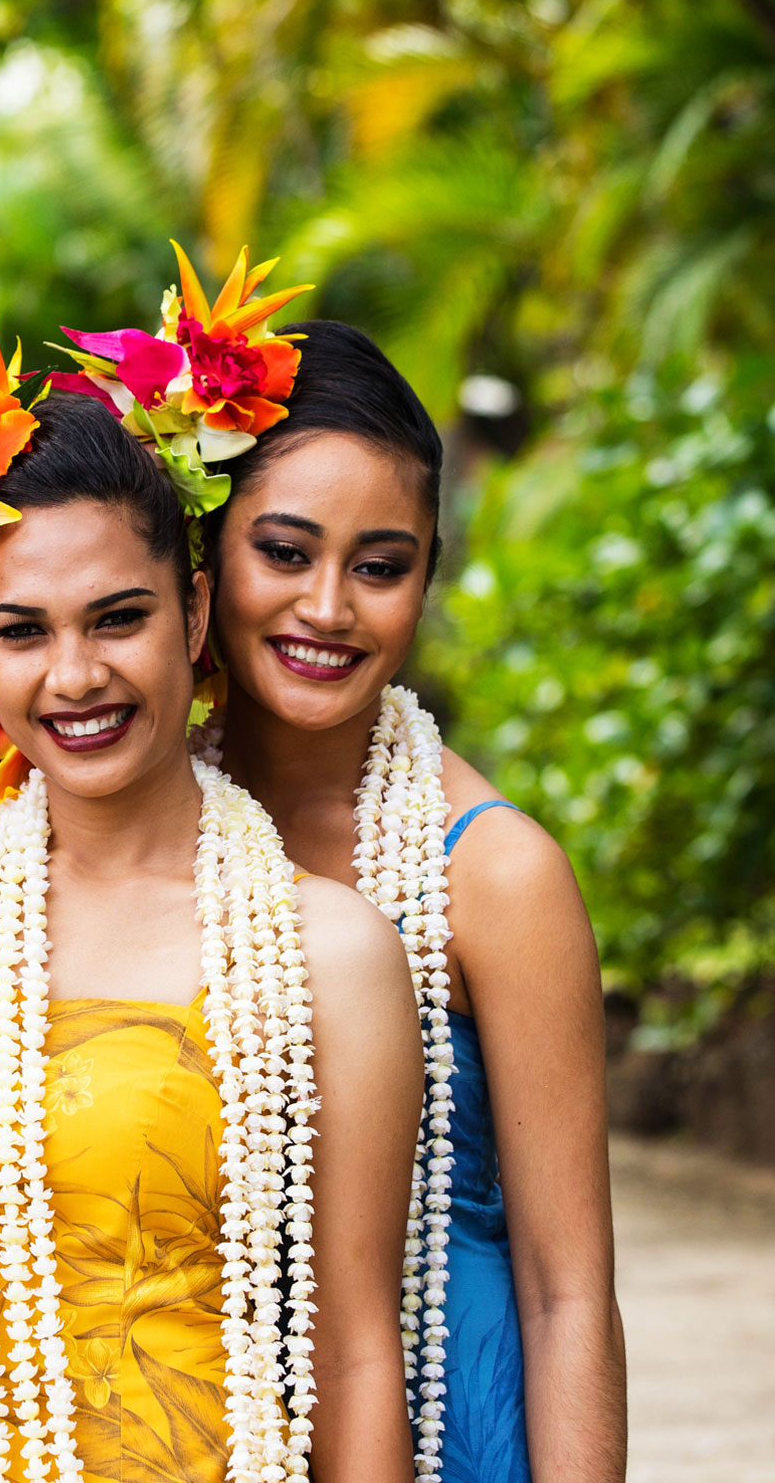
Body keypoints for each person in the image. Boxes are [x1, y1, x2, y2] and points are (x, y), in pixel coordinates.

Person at [0, 342, 420, 1483]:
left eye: (117, 618)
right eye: (23, 630)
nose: (74, 677)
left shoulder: (326, 948)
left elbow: (356, 1349)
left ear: (194, 611)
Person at [204, 313, 625, 1483]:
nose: (328, 606)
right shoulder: (120, 828)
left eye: (380, 566)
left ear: (427, 577)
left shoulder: (496, 874)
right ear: (204, 550)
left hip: (458, 1432)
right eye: (284, 551)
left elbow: (568, 1290)